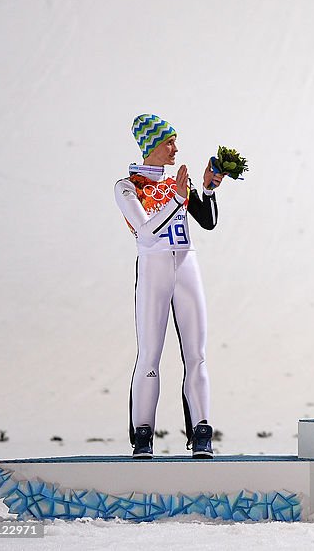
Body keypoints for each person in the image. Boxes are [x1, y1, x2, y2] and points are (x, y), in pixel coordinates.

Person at [114, 114, 224, 458]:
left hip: (186, 263)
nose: (175, 148)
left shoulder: (178, 182)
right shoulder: (128, 186)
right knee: (149, 354)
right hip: (154, 267)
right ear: (151, 146)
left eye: (175, 141)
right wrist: (176, 199)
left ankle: (201, 431)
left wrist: (205, 188)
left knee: (197, 354)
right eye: (168, 142)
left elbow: (206, 221)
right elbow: (145, 231)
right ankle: (143, 433)